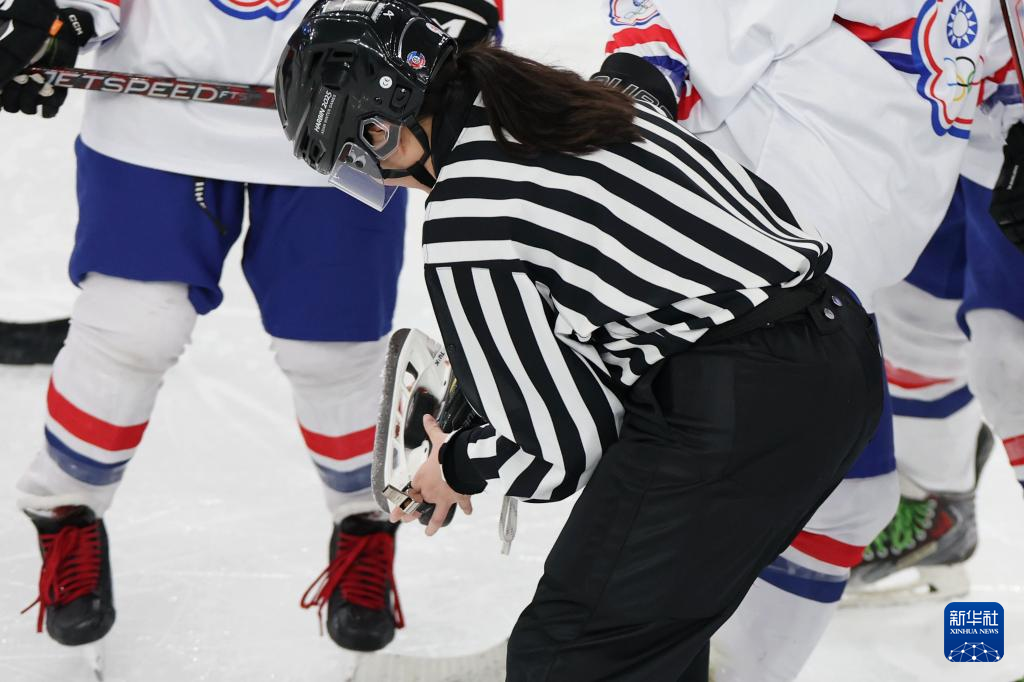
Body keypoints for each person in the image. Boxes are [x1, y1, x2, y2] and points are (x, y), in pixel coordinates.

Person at [277, 2, 885, 679]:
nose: (380, 179)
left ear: (381, 124)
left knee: (567, 657)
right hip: (839, 347)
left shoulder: (465, 215)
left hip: (747, 403)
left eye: (360, 157)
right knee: (650, 647)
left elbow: (561, 448)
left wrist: (454, 465)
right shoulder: (562, 99)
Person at [1, 0, 499, 655]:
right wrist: (61, 12)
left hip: (351, 110)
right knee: (131, 328)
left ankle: (364, 521)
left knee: (333, 351)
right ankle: (66, 507)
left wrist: (444, 23)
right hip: (156, 110)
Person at [596, 1, 1017, 677]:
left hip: (866, 210)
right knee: (828, 484)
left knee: (986, 377)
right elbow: (672, 40)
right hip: (784, 230)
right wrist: (628, 94)